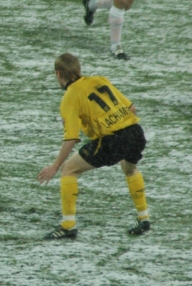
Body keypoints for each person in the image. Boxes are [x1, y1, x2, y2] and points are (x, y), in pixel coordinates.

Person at [37, 53, 150, 240]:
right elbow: (131, 109)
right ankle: (144, 218)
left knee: (69, 170)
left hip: (113, 139)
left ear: (58, 73)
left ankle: (67, 226)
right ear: (78, 69)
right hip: (136, 132)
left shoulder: (70, 97)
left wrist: (55, 166)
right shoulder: (99, 80)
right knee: (129, 169)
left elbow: (71, 139)